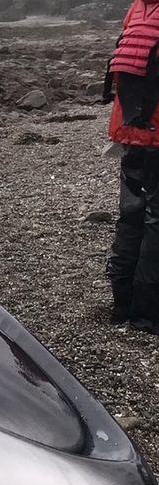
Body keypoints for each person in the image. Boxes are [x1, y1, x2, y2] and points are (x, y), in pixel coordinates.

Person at [104, 0, 159, 333]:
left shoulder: (138, 7)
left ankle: (122, 305)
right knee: (157, 221)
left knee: (132, 214)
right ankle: (146, 316)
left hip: (129, 130)